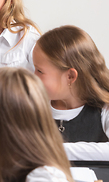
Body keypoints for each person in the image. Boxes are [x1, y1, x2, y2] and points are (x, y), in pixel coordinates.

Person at [33, 25, 109, 160]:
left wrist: (54, 149)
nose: (33, 76)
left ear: (70, 76)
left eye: (40, 71)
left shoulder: (104, 107)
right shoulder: (33, 107)